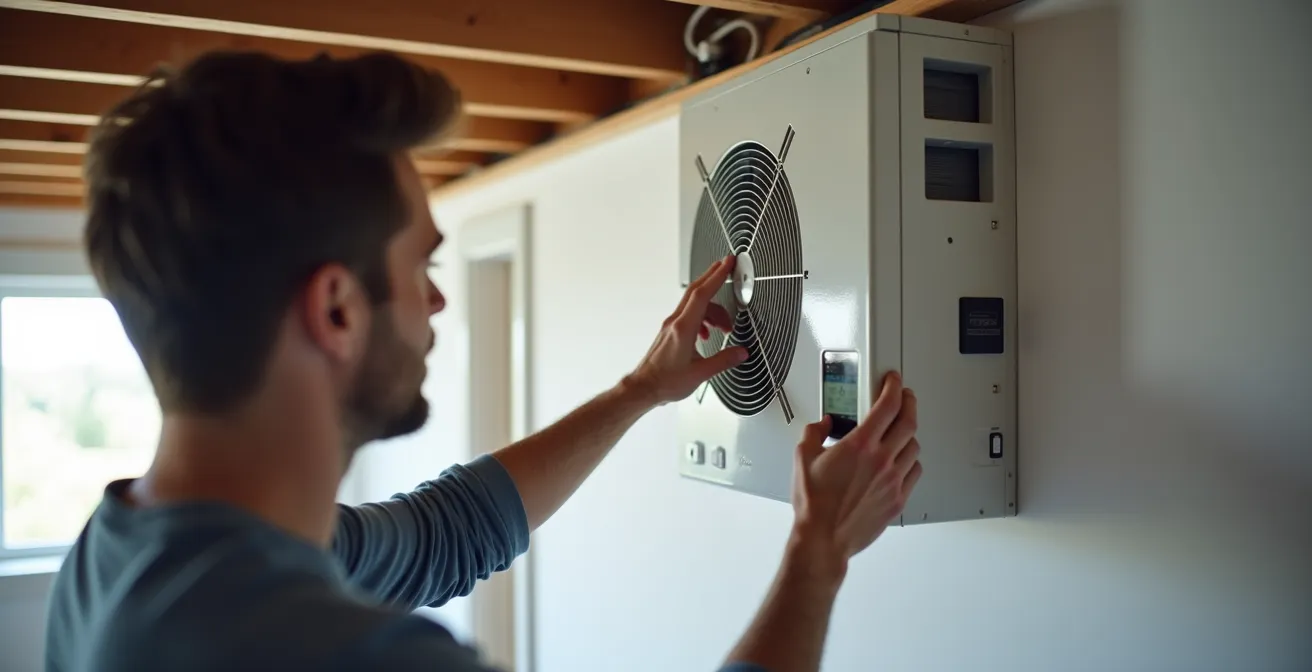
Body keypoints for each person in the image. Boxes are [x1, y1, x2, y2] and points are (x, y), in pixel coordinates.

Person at [44, 50, 922, 672]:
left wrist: (639, 391)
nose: (436, 303)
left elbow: (443, 535)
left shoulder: (121, 555)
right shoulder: (329, 651)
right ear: (337, 309)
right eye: (420, 265)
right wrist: (819, 553)